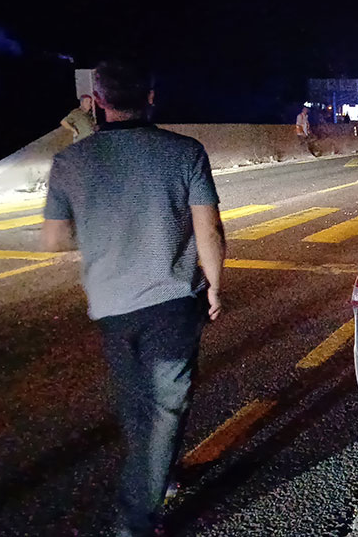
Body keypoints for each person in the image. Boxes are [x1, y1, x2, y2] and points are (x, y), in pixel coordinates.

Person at [41, 61, 226, 537]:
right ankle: (135, 521)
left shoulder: (69, 162)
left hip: (109, 304)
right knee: (166, 404)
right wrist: (216, 286)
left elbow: (54, 239)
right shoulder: (184, 152)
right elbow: (209, 228)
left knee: (140, 402)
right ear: (150, 96)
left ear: (97, 101)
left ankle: (160, 477)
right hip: (172, 299)